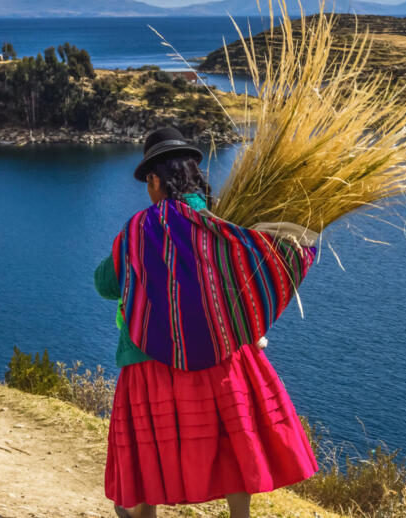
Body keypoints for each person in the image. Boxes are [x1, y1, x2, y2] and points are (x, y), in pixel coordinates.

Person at [94, 128, 320, 518]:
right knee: (231, 439)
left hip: (148, 358)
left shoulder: (139, 229)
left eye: (148, 182)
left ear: (155, 180)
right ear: (194, 175)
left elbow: (104, 282)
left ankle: (143, 514)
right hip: (224, 354)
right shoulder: (228, 225)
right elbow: (268, 261)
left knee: (150, 443)